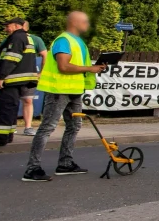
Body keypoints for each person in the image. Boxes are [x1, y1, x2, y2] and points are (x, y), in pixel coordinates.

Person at [23, 11, 105, 182]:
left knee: (74, 126)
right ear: (75, 22)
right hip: (59, 90)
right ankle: (32, 169)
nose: (87, 25)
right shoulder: (63, 41)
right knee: (47, 128)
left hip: (74, 90)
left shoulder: (78, 41)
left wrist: (94, 68)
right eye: (85, 22)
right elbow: (63, 66)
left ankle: (65, 163)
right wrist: (90, 69)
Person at [0, 18, 39, 146]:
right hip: (18, 80)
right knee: (10, 109)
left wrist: (0, 77)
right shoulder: (26, 37)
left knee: (3, 109)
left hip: (11, 79)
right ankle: (7, 135)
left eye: (7, 26)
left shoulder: (16, 38)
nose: (5, 29)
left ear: (16, 26)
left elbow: (11, 60)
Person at [20, 20, 48, 136]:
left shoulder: (36, 39)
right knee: (11, 101)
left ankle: (28, 127)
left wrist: (41, 72)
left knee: (28, 100)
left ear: (26, 28)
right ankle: (9, 126)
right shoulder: (10, 39)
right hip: (11, 75)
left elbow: (45, 54)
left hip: (29, 75)